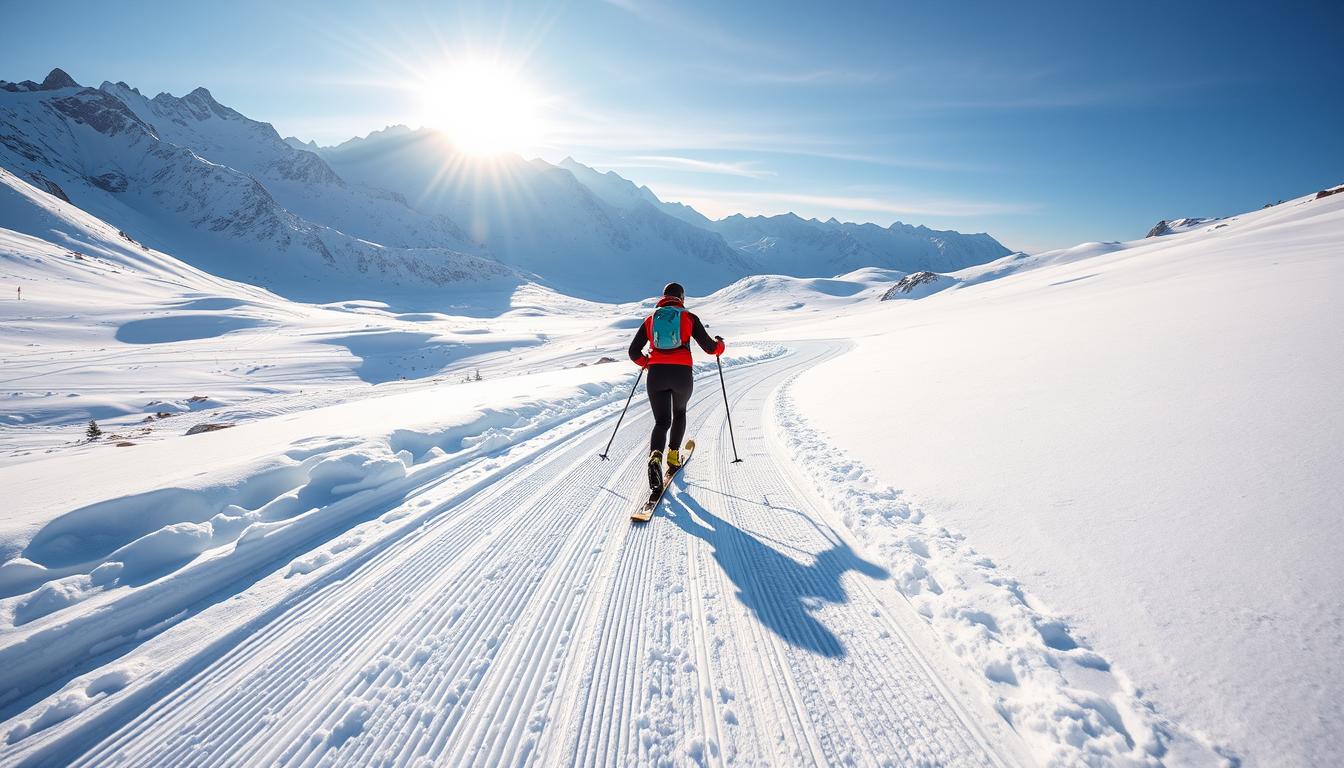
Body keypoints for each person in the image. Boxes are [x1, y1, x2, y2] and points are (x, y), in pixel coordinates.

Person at [627, 282, 724, 495]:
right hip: (681, 374)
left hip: (656, 375)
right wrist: (720, 345)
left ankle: (655, 456)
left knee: (661, 422)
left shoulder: (651, 319)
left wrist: (647, 363)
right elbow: (709, 348)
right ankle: (673, 456)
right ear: (682, 298)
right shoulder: (689, 317)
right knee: (679, 413)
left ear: (663, 297)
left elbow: (633, 352)